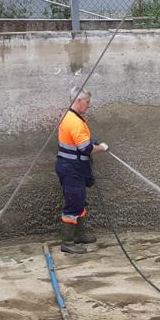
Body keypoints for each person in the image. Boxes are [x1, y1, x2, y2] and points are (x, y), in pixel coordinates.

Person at [55, 86, 109, 253]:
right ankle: (68, 242)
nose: (89, 105)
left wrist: (96, 141)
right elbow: (86, 148)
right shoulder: (73, 121)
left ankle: (80, 234)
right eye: (87, 102)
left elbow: (85, 137)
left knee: (79, 201)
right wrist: (102, 148)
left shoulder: (73, 118)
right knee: (73, 204)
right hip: (71, 169)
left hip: (73, 168)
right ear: (78, 100)